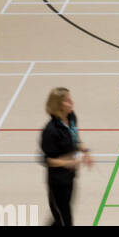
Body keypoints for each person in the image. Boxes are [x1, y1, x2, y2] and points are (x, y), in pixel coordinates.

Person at [39, 87, 93, 226]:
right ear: (59, 105)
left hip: (69, 178)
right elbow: (47, 159)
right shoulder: (50, 131)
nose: (72, 102)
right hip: (57, 182)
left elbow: (75, 138)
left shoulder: (71, 117)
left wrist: (86, 151)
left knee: (59, 217)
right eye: (68, 100)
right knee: (65, 219)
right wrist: (67, 162)